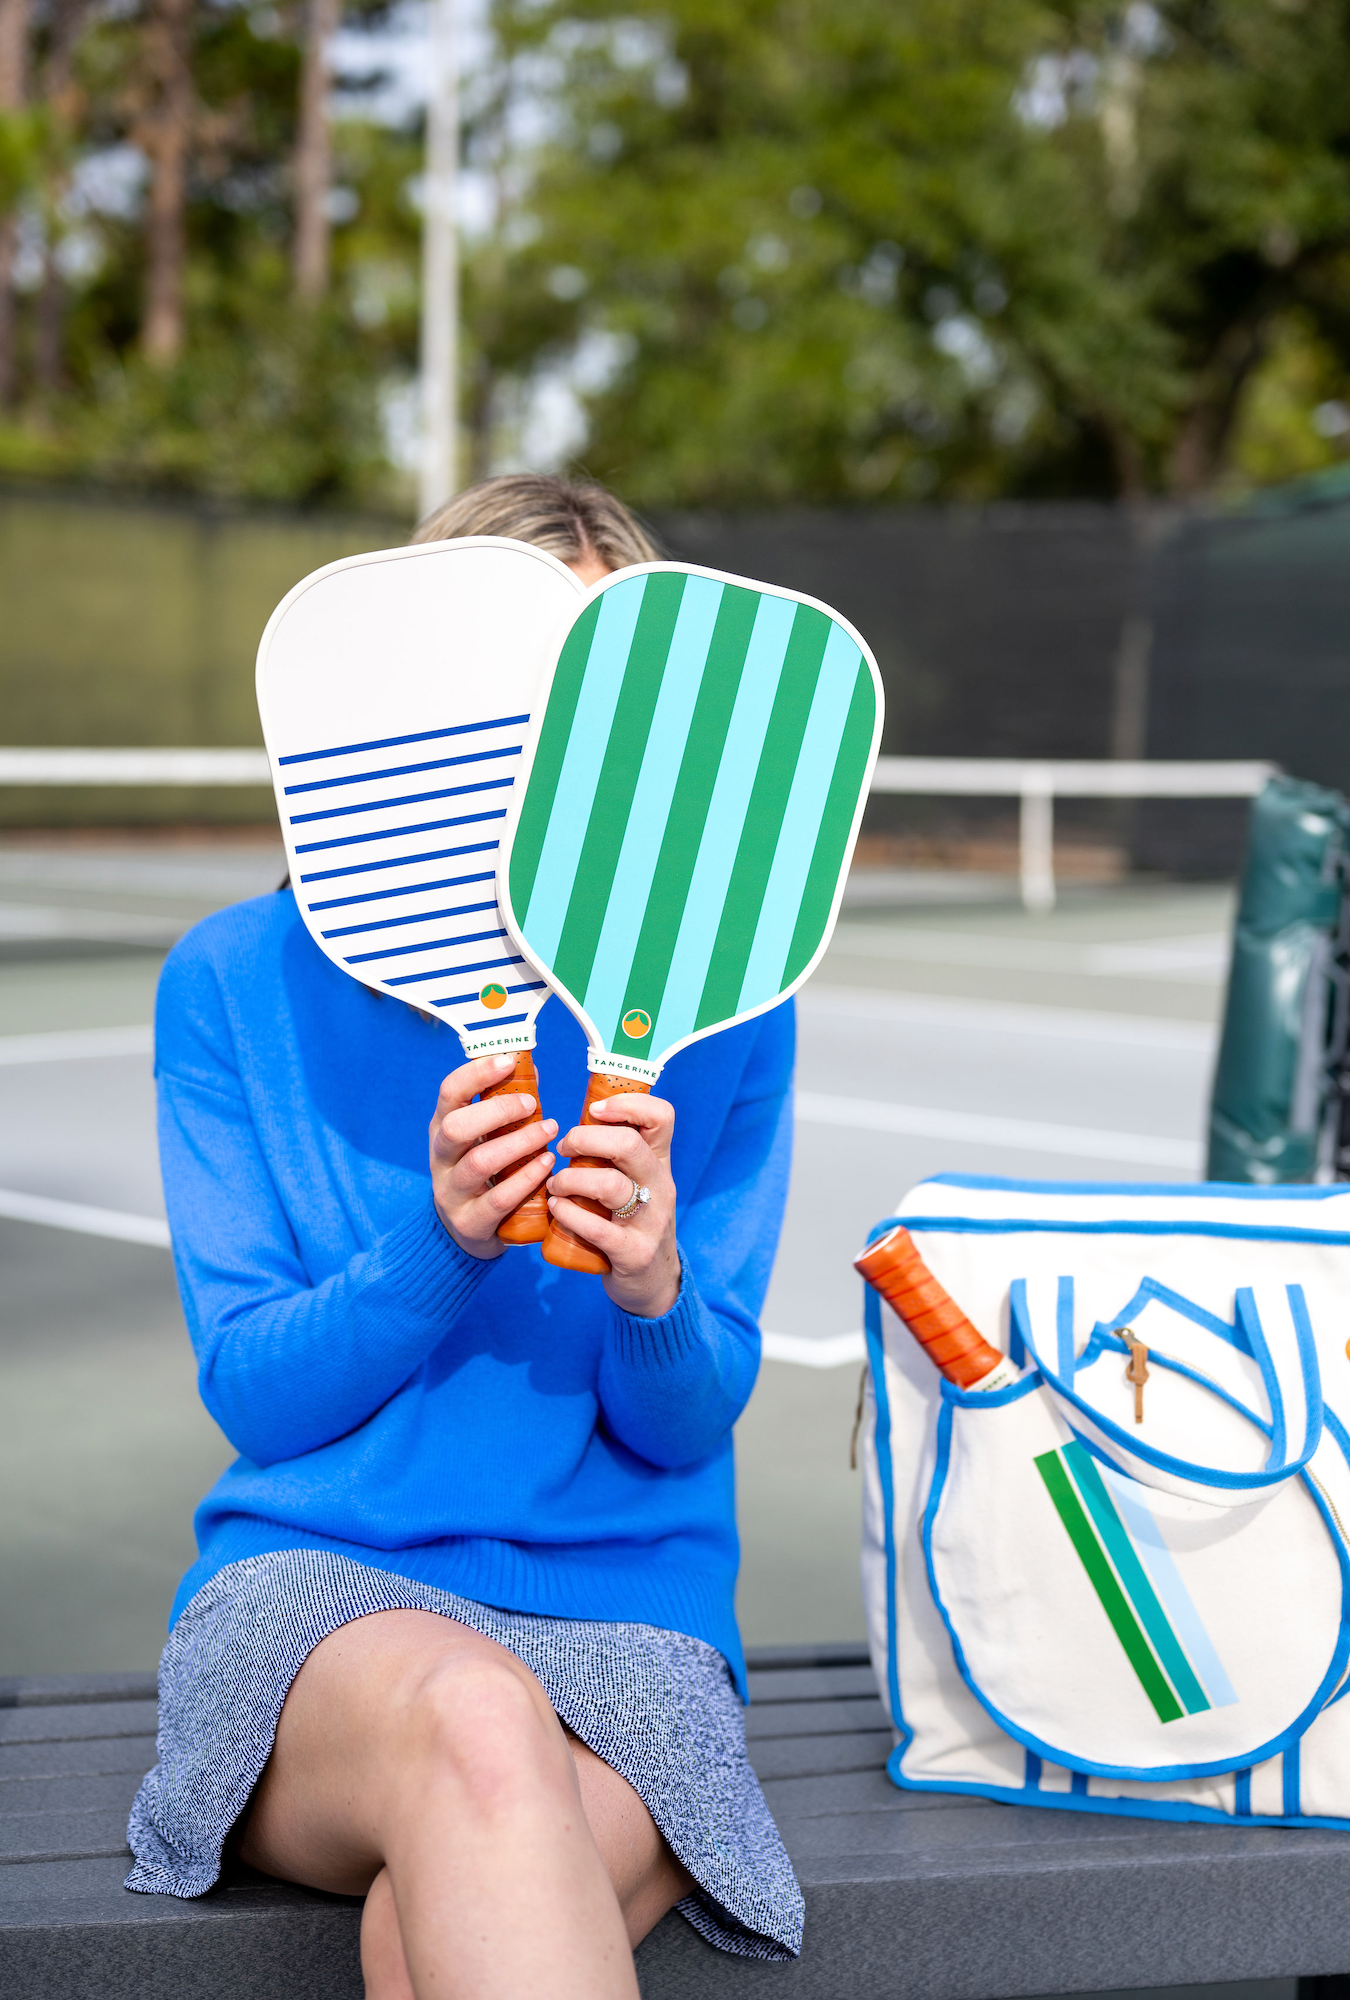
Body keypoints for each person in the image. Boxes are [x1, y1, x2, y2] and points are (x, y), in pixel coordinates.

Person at [126, 473, 804, 1998]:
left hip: (632, 1612)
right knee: (480, 1726)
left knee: (430, 1924)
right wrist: (435, 1243)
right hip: (324, 1598)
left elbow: (690, 1414)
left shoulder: (722, 996)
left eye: (592, 686)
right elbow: (255, 1392)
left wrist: (653, 1288)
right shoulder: (232, 979)